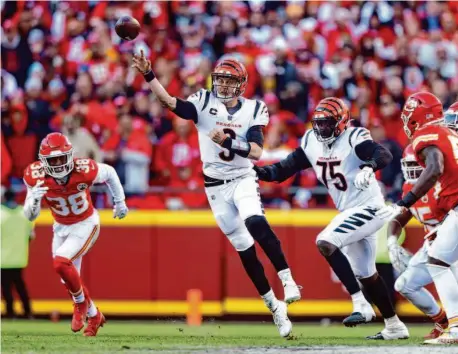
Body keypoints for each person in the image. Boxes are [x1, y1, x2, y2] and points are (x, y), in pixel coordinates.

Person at [131, 50, 300, 338]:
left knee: (255, 222)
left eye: (229, 80)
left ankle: (288, 280)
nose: (222, 85)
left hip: (243, 177)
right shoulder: (203, 101)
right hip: (215, 187)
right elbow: (171, 103)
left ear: (242, 84)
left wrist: (230, 143)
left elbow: (257, 152)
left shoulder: (254, 108)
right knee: (245, 251)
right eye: (219, 79)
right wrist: (149, 75)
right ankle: (274, 307)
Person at [253, 97, 409, 340]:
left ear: (342, 122)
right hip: (349, 211)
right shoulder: (311, 141)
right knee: (367, 274)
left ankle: (360, 304)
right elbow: (282, 170)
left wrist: (369, 166)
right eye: (319, 124)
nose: (322, 129)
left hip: (369, 207)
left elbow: (384, 154)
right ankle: (394, 325)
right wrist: (257, 172)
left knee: (325, 241)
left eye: (327, 124)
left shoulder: (353, 137)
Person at [23, 132, 128, 336]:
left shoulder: (84, 170)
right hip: (61, 226)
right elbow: (29, 216)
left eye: (62, 158)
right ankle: (95, 315)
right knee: (68, 279)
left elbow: (110, 173)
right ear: (44, 161)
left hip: (85, 223)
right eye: (54, 160)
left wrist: (120, 201)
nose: (60, 164)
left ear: (70, 155)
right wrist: (34, 200)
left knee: (61, 262)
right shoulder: (34, 175)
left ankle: (80, 306)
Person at [377, 92, 458, 344]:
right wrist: (392, 241)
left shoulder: (428, 135)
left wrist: (407, 199)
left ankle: (454, 326)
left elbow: (434, 168)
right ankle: (451, 324)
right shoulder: (450, 134)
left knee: (438, 262)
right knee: (435, 262)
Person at [387, 144, 455, 339]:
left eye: (415, 164)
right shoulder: (410, 188)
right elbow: (398, 219)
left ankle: (455, 325)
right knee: (404, 285)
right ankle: (443, 322)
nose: (412, 169)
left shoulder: (446, 185)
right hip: (433, 247)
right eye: (408, 164)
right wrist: (392, 242)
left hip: (453, 245)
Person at [1, 188, 33, 319]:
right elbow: (31, 236)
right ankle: (28, 312)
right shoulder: (24, 214)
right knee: (20, 286)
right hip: (20, 257)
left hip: (3, 258)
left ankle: (10, 313)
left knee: (6, 288)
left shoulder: (1, 214)